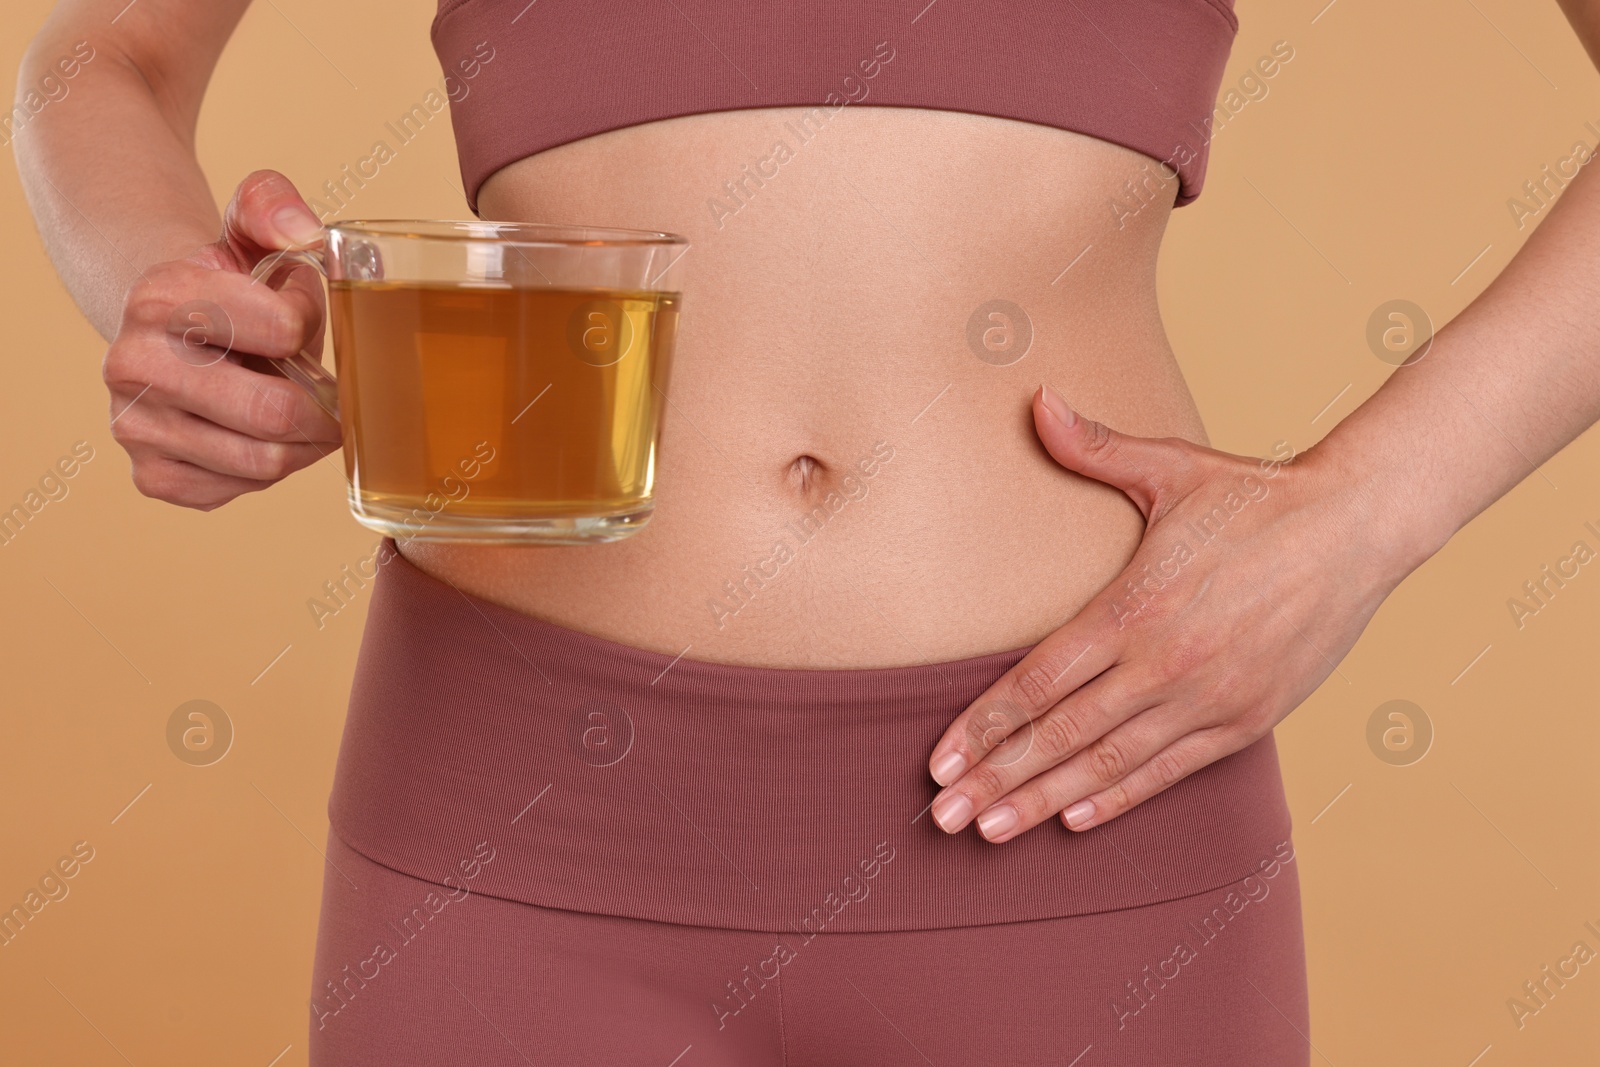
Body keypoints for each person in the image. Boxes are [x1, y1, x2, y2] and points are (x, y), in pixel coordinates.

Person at [17, 0, 1600, 1063]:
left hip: (1086, 806)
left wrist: (1371, 511)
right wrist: (183, 302)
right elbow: (101, 57)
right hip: (516, 825)